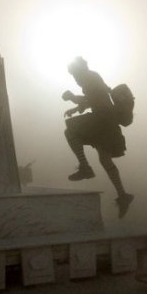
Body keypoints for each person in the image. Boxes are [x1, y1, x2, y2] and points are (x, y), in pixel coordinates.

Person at [62, 56, 134, 218]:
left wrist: (72, 97)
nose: (74, 78)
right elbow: (95, 99)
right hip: (108, 121)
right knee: (104, 158)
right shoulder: (92, 77)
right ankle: (123, 195)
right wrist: (76, 108)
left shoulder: (88, 78)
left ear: (79, 70)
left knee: (70, 130)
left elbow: (94, 100)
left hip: (102, 119)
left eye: (73, 74)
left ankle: (85, 167)